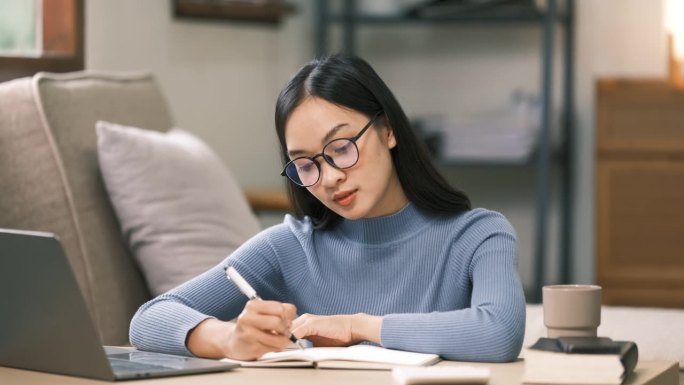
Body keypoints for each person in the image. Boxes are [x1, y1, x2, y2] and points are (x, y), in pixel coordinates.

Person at [129, 54, 526, 363]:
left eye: (341, 149)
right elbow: (149, 320)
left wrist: (356, 326)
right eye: (306, 164)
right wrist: (229, 338)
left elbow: (497, 332)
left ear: (387, 130)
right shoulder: (288, 248)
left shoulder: (478, 235)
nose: (330, 178)